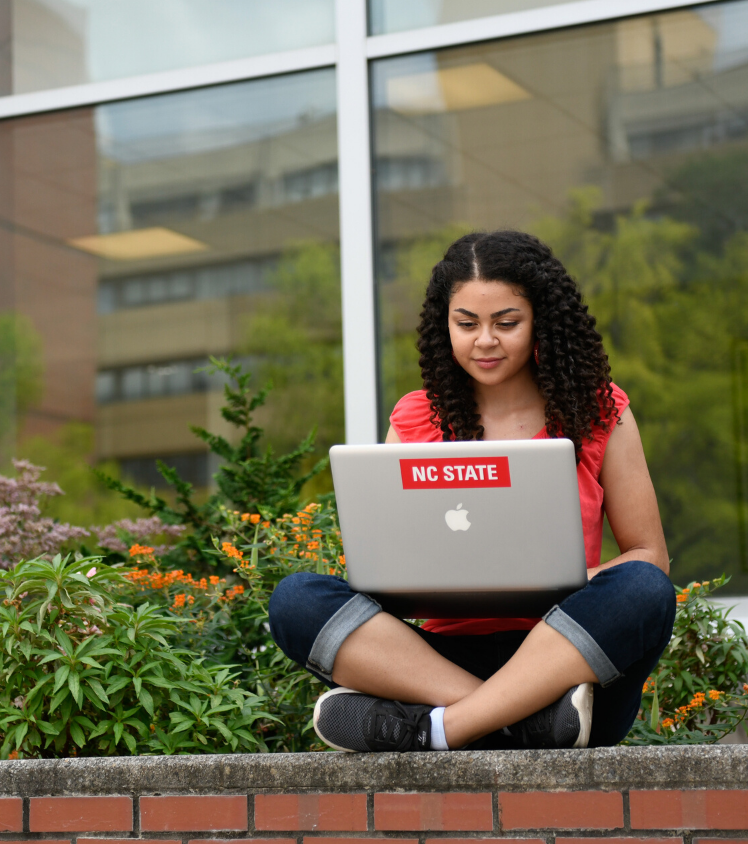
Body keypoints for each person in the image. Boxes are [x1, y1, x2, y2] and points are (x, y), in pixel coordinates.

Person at [267, 230, 677, 752]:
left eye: (507, 323)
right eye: (466, 324)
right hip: (434, 663)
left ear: (541, 324)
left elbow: (650, 556)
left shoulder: (599, 410)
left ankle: (441, 729)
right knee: (296, 600)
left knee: (644, 589)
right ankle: (521, 723)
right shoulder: (415, 417)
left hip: (567, 660)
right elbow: (387, 564)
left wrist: (567, 580)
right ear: (445, 327)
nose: (485, 340)